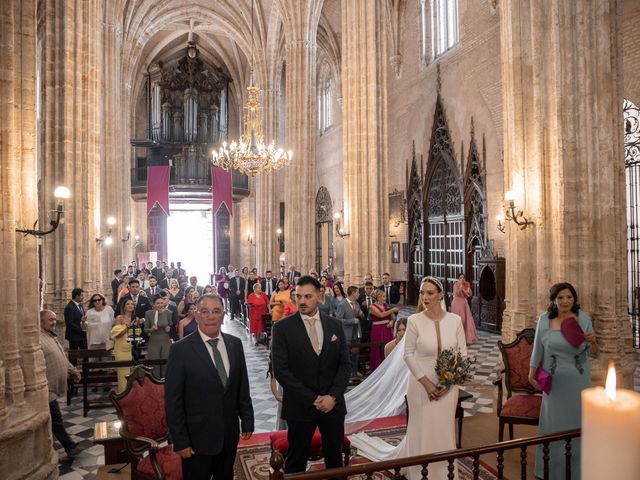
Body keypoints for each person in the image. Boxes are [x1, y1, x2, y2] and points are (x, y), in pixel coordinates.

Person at [350, 276, 467, 480]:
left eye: (430, 293)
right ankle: (420, 472)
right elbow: (408, 354)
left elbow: (462, 355)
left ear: (441, 295)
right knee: (422, 430)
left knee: (444, 430)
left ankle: (444, 473)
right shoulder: (414, 321)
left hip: (449, 387)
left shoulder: (455, 321)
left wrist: (449, 383)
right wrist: (427, 383)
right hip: (421, 386)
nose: (425, 297)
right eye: (423, 293)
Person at [165, 294, 254, 480]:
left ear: (223, 314)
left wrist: (247, 419)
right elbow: (173, 401)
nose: (211, 316)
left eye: (216, 311)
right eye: (204, 311)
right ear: (196, 315)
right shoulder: (180, 350)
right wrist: (180, 441)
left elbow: (241, 386)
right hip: (196, 439)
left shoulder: (235, 344)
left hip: (228, 434)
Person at [272, 276, 351, 474]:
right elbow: (281, 371)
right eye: (298, 296)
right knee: (296, 460)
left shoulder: (335, 325)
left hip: (332, 406)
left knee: (335, 459)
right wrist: (314, 399)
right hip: (300, 406)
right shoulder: (282, 328)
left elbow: (344, 365)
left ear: (319, 296)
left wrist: (332, 397)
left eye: (307, 296)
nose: (302, 301)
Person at [527, 282, 598, 480]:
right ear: (553, 301)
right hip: (553, 382)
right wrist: (531, 374)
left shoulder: (583, 318)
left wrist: (593, 342)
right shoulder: (544, 320)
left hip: (577, 381)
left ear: (574, 299)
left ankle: (578, 471)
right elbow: (537, 350)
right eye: (561, 298)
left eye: (569, 297)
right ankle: (549, 470)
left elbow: (594, 354)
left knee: (577, 423)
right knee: (552, 424)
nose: (566, 301)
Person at [40, 309, 83, 457]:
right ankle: (69, 447)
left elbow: (62, 357)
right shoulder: (38, 339)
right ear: (41, 322)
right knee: (56, 417)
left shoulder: (51, 336)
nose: (54, 322)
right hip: (44, 387)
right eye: (50, 320)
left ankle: (61, 446)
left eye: (54, 319)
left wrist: (73, 370)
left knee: (53, 418)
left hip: (52, 387)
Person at [335, 286, 364, 378]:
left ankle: (354, 373)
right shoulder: (342, 305)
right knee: (347, 356)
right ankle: (347, 374)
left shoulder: (357, 304)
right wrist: (351, 321)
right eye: (358, 292)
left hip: (357, 333)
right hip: (347, 334)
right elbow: (338, 320)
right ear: (353, 293)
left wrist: (361, 314)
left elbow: (361, 317)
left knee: (356, 354)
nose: (359, 294)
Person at [369, 289, 399, 372]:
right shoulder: (372, 307)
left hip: (387, 329)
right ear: (378, 297)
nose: (385, 298)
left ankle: (389, 367)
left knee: (389, 346)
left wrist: (392, 321)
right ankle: (378, 369)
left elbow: (393, 317)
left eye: (385, 296)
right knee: (378, 349)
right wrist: (392, 310)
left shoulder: (386, 306)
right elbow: (381, 315)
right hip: (378, 330)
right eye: (383, 296)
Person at [144, 295, 173, 378]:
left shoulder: (168, 312)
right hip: (154, 340)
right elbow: (145, 329)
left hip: (165, 340)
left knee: (166, 361)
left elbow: (171, 325)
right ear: (154, 304)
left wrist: (169, 328)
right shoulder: (149, 313)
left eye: (161, 303)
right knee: (154, 362)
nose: (160, 305)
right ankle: (155, 382)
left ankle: (165, 382)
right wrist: (152, 329)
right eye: (158, 303)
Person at [111, 299, 136, 392]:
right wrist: (127, 327)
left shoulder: (135, 318)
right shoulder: (119, 318)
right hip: (121, 349)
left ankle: (132, 394)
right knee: (123, 373)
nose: (130, 305)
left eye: (132, 304)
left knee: (133, 373)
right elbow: (117, 334)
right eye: (128, 304)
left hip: (132, 349)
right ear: (124, 307)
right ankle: (123, 393)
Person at [451, 273, 478, 344]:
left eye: (463, 278)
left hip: (464, 303)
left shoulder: (467, 284)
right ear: (458, 279)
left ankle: (466, 338)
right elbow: (457, 293)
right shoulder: (456, 285)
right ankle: (457, 338)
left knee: (466, 320)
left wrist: (468, 291)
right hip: (457, 303)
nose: (462, 279)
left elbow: (469, 295)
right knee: (459, 320)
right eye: (460, 278)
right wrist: (461, 287)